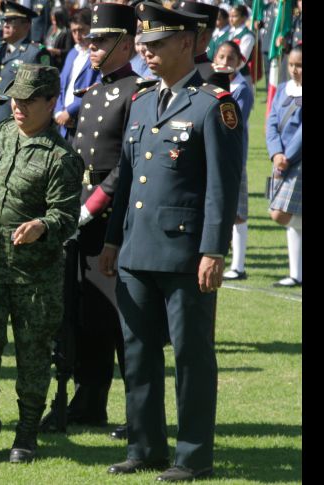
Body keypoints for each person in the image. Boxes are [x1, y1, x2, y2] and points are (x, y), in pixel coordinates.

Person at [99, 3, 242, 481]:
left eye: (157, 44)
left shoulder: (212, 104)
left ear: (187, 42)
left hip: (185, 254)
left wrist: (214, 250)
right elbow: (129, 182)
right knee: (138, 354)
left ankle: (193, 454)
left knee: (190, 356)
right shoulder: (141, 102)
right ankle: (145, 446)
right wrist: (113, 241)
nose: (148, 53)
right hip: (137, 250)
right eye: (144, 45)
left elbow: (222, 187)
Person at [0, 64, 83, 464]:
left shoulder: (62, 157)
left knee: (32, 358)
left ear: (51, 103)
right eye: (14, 98)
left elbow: (66, 216)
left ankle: (27, 430)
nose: (18, 106)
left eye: (28, 101)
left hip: (34, 275)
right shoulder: (1, 134)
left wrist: (41, 226)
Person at [40, 1, 140, 441]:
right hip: (79, 210)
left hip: (113, 214)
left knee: (122, 318)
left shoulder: (139, 90)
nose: (91, 46)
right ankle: (89, 399)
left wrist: (93, 204)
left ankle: (138, 409)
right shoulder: (93, 91)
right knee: (86, 314)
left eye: (101, 40)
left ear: (126, 43)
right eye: (91, 39)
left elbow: (128, 162)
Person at [213, 41, 254, 281]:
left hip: (233, 156)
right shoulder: (211, 82)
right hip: (213, 154)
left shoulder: (240, 89)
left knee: (237, 210)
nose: (225, 63)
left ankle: (238, 265)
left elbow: (233, 124)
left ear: (240, 62)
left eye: (230, 58)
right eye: (221, 57)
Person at [266, 44, 301, 288]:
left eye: (299, 65)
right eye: (291, 64)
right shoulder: (281, 89)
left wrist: (287, 156)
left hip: (297, 160)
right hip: (281, 159)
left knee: (281, 214)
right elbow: (271, 122)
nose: (294, 70)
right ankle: (295, 273)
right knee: (289, 217)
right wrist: (276, 152)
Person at [0, 2, 51, 123]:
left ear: (26, 26)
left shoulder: (35, 53)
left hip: (20, 121)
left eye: (11, 21)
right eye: (4, 21)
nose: (6, 25)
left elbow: (44, 91)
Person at [53, 8, 99, 141]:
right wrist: (58, 112)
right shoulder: (72, 53)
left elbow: (96, 87)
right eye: (74, 31)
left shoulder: (97, 55)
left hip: (83, 123)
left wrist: (70, 112)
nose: (78, 36)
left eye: (82, 30)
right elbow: (61, 86)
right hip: (63, 123)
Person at [176, 1, 230, 91]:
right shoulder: (170, 65)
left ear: (203, 38)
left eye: (184, 33)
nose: (177, 38)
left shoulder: (214, 75)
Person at [227, 4, 255, 84]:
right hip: (227, 75)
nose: (231, 19)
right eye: (230, 16)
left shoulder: (247, 35)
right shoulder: (229, 32)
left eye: (234, 16)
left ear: (244, 17)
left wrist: (229, 71)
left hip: (240, 76)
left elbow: (242, 59)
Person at [44, 6, 72, 71]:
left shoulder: (67, 32)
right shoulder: (51, 28)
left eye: (56, 20)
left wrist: (55, 51)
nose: (54, 23)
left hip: (59, 65)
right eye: (53, 20)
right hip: (48, 61)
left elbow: (68, 51)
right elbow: (45, 42)